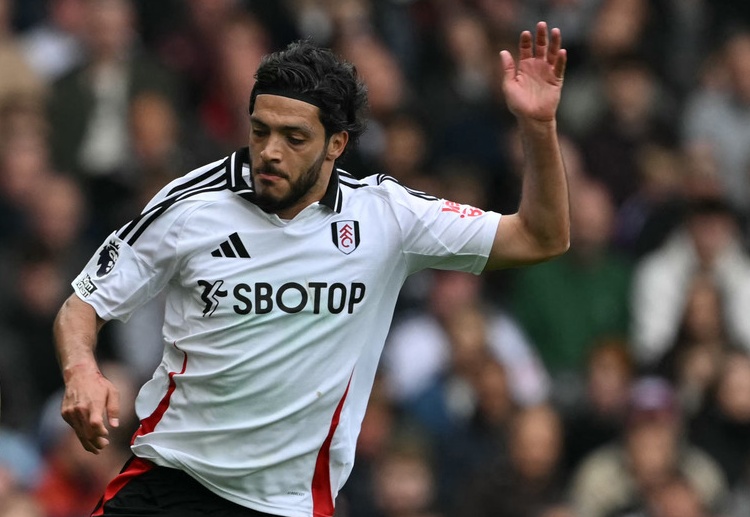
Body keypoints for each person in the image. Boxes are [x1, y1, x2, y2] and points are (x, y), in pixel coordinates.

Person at [52, 23, 569, 517]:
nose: (270, 153)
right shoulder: (192, 204)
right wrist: (81, 372)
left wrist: (539, 126)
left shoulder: (386, 217)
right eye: (260, 131)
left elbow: (540, 237)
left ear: (336, 144)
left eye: (294, 138)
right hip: (171, 483)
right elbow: (82, 306)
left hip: (290, 504)